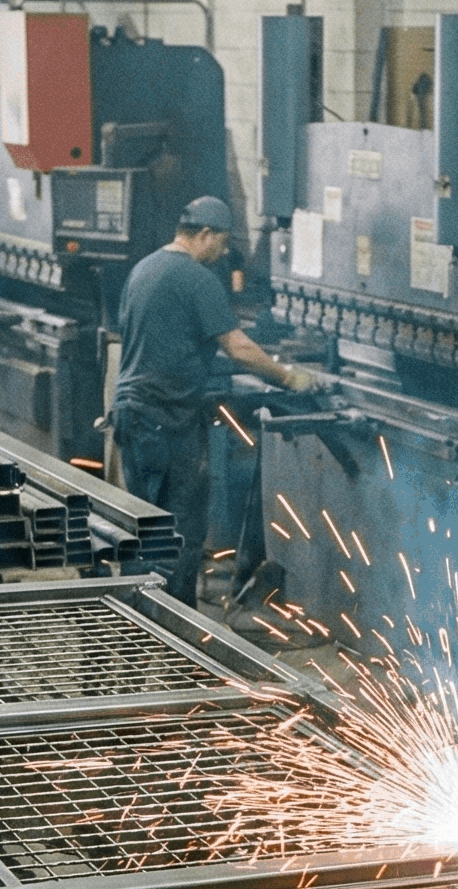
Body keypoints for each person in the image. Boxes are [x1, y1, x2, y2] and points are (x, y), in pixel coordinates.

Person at [112, 195, 316, 606]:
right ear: (204, 234)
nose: (224, 254)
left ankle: (134, 630)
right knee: (181, 533)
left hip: (131, 418)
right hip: (165, 423)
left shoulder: (143, 269)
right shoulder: (195, 278)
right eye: (222, 244)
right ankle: (178, 640)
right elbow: (239, 347)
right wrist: (288, 376)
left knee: (146, 529)